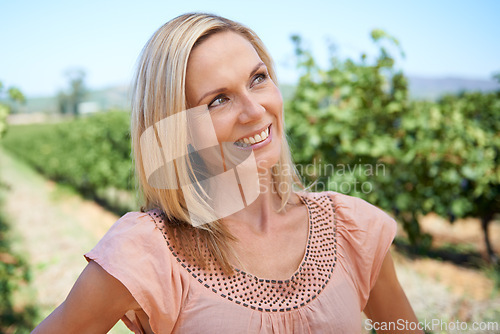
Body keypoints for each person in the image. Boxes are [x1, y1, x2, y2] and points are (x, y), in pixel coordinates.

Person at [33, 13, 422, 334]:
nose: (255, 111)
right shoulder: (146, 250)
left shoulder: (353, 228)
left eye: (258, 78)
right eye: (218, 100)